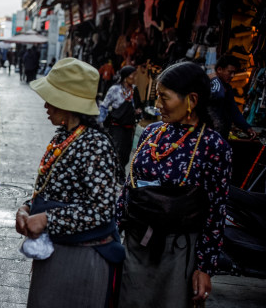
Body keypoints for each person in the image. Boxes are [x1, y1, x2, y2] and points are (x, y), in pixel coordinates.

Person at [116, 62, 233, 307]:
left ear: (191, 99)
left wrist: (204, 267)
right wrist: (113, 229)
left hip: (178, 252)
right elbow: (130, 186)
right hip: (135, 244)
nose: (158, 105)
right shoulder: (153, 133)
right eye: (157, 97)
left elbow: (216, 211)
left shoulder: (214, 146)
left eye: (164, 97)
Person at [15, 58, 124, 308]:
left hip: (80, 259)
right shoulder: (64, 136)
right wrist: (28, 208)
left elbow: (102, 210)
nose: (45, 105)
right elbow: (50, 187)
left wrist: (47, 219)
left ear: (68, 103)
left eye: (51, 98)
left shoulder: (95, 144)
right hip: (57, 251)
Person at [98, 66, 142, 168]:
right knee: (115, 149)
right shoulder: (114, 89)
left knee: (125, 152)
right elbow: (104, 106)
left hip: (129, 127)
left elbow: (139, 106)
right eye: (132, 75)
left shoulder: (134, 90)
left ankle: (120, 173)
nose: (134, 78)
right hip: (116, 126)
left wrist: (138, 111)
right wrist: (100, 123)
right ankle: (112, 171)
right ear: (125, 77)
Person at [210, 55, 256, 140]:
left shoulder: (228, 88)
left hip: (221, 134)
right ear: (219, 69)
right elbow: (218, 95)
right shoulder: (214, 83)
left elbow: (233, 110)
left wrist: (246, 128)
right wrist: (216, 80)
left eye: (234, 73)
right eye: (230, 72)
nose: (232, 76)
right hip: (209, 134)